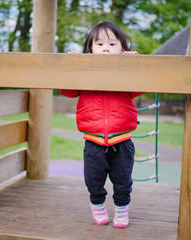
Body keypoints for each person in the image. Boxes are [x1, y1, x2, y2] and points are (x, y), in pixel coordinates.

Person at [60, 21, 143, 228]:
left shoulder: (125, 74)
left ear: (123, 49)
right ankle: (97, 206)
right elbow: (67, 91)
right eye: (99, 44)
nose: (106, 47)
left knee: (123, 182)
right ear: (90, 49)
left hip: (122, 141)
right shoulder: (85, 73)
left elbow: (141, 87)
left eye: (113, 44)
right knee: (93, 180)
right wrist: (72, 67)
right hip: (93, 141)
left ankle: (122, 211)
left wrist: (133, 65)